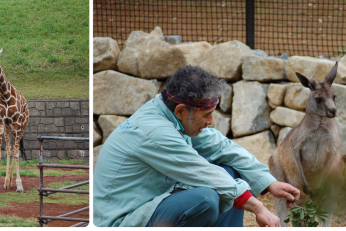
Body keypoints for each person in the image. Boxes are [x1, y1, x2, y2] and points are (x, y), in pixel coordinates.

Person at [94, 65, 301, 226]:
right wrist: (258, 208)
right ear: (181, 111)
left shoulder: (168, 112)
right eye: (206, 115)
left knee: (230, 173)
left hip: (150, 204)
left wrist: (269, 182)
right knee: (204, 199)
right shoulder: (155, 132)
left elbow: (220, 146)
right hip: (121, 221)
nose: (211, 121)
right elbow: (200, 171)